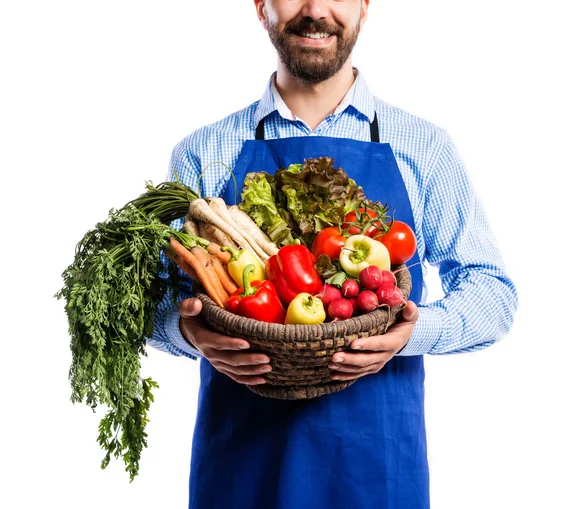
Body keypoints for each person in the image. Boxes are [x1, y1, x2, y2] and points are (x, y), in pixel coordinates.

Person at [149, 1, 518, 507]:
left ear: (365, 5)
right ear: (261, 7)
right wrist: (186, 330)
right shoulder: (205, 150)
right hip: (243, 469)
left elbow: (492, 292)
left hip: (377, 468)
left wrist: (412, 332)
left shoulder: (423, 146)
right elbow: (151, 302)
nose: (315, 10)